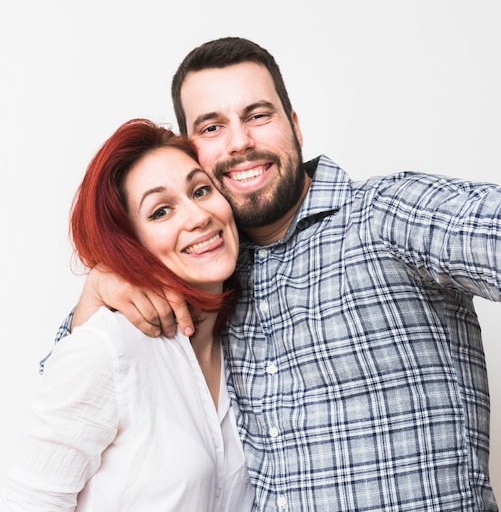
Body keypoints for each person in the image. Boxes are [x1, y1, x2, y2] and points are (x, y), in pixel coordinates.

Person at [46, 38, 500, 511]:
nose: (240, 141)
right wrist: (97, 291)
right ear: (191, 151)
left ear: (295, 125)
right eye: (212, 126)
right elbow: (72, 399)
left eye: (258, 115)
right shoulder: (204, 274)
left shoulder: (388, 214)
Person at [1, 118, 254, 511]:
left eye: (201, 190)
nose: (198, 216)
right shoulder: (107, 350)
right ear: (130, 245)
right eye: (160, 211)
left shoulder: (251, 344)